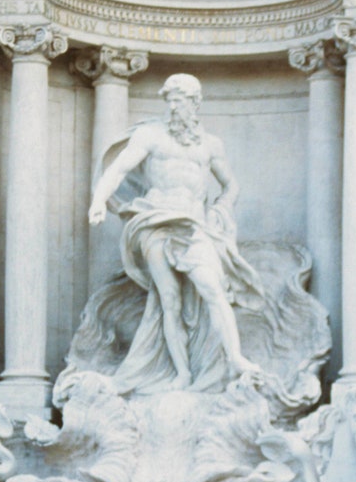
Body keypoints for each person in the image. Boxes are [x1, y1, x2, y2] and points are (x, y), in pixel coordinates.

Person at [88, 73, 264, 395]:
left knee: (213, 290)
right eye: (169, 100)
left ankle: (235, 358)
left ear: (195, 103)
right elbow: (119, 169)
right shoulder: (150, 136)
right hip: (155, 220)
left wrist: (220, 209)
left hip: (193, 225)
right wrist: (99, 200)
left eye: (179, 101)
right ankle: (182, 373)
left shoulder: (211, 145)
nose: (172, 107)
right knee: (168, 299)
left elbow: (231, 185)